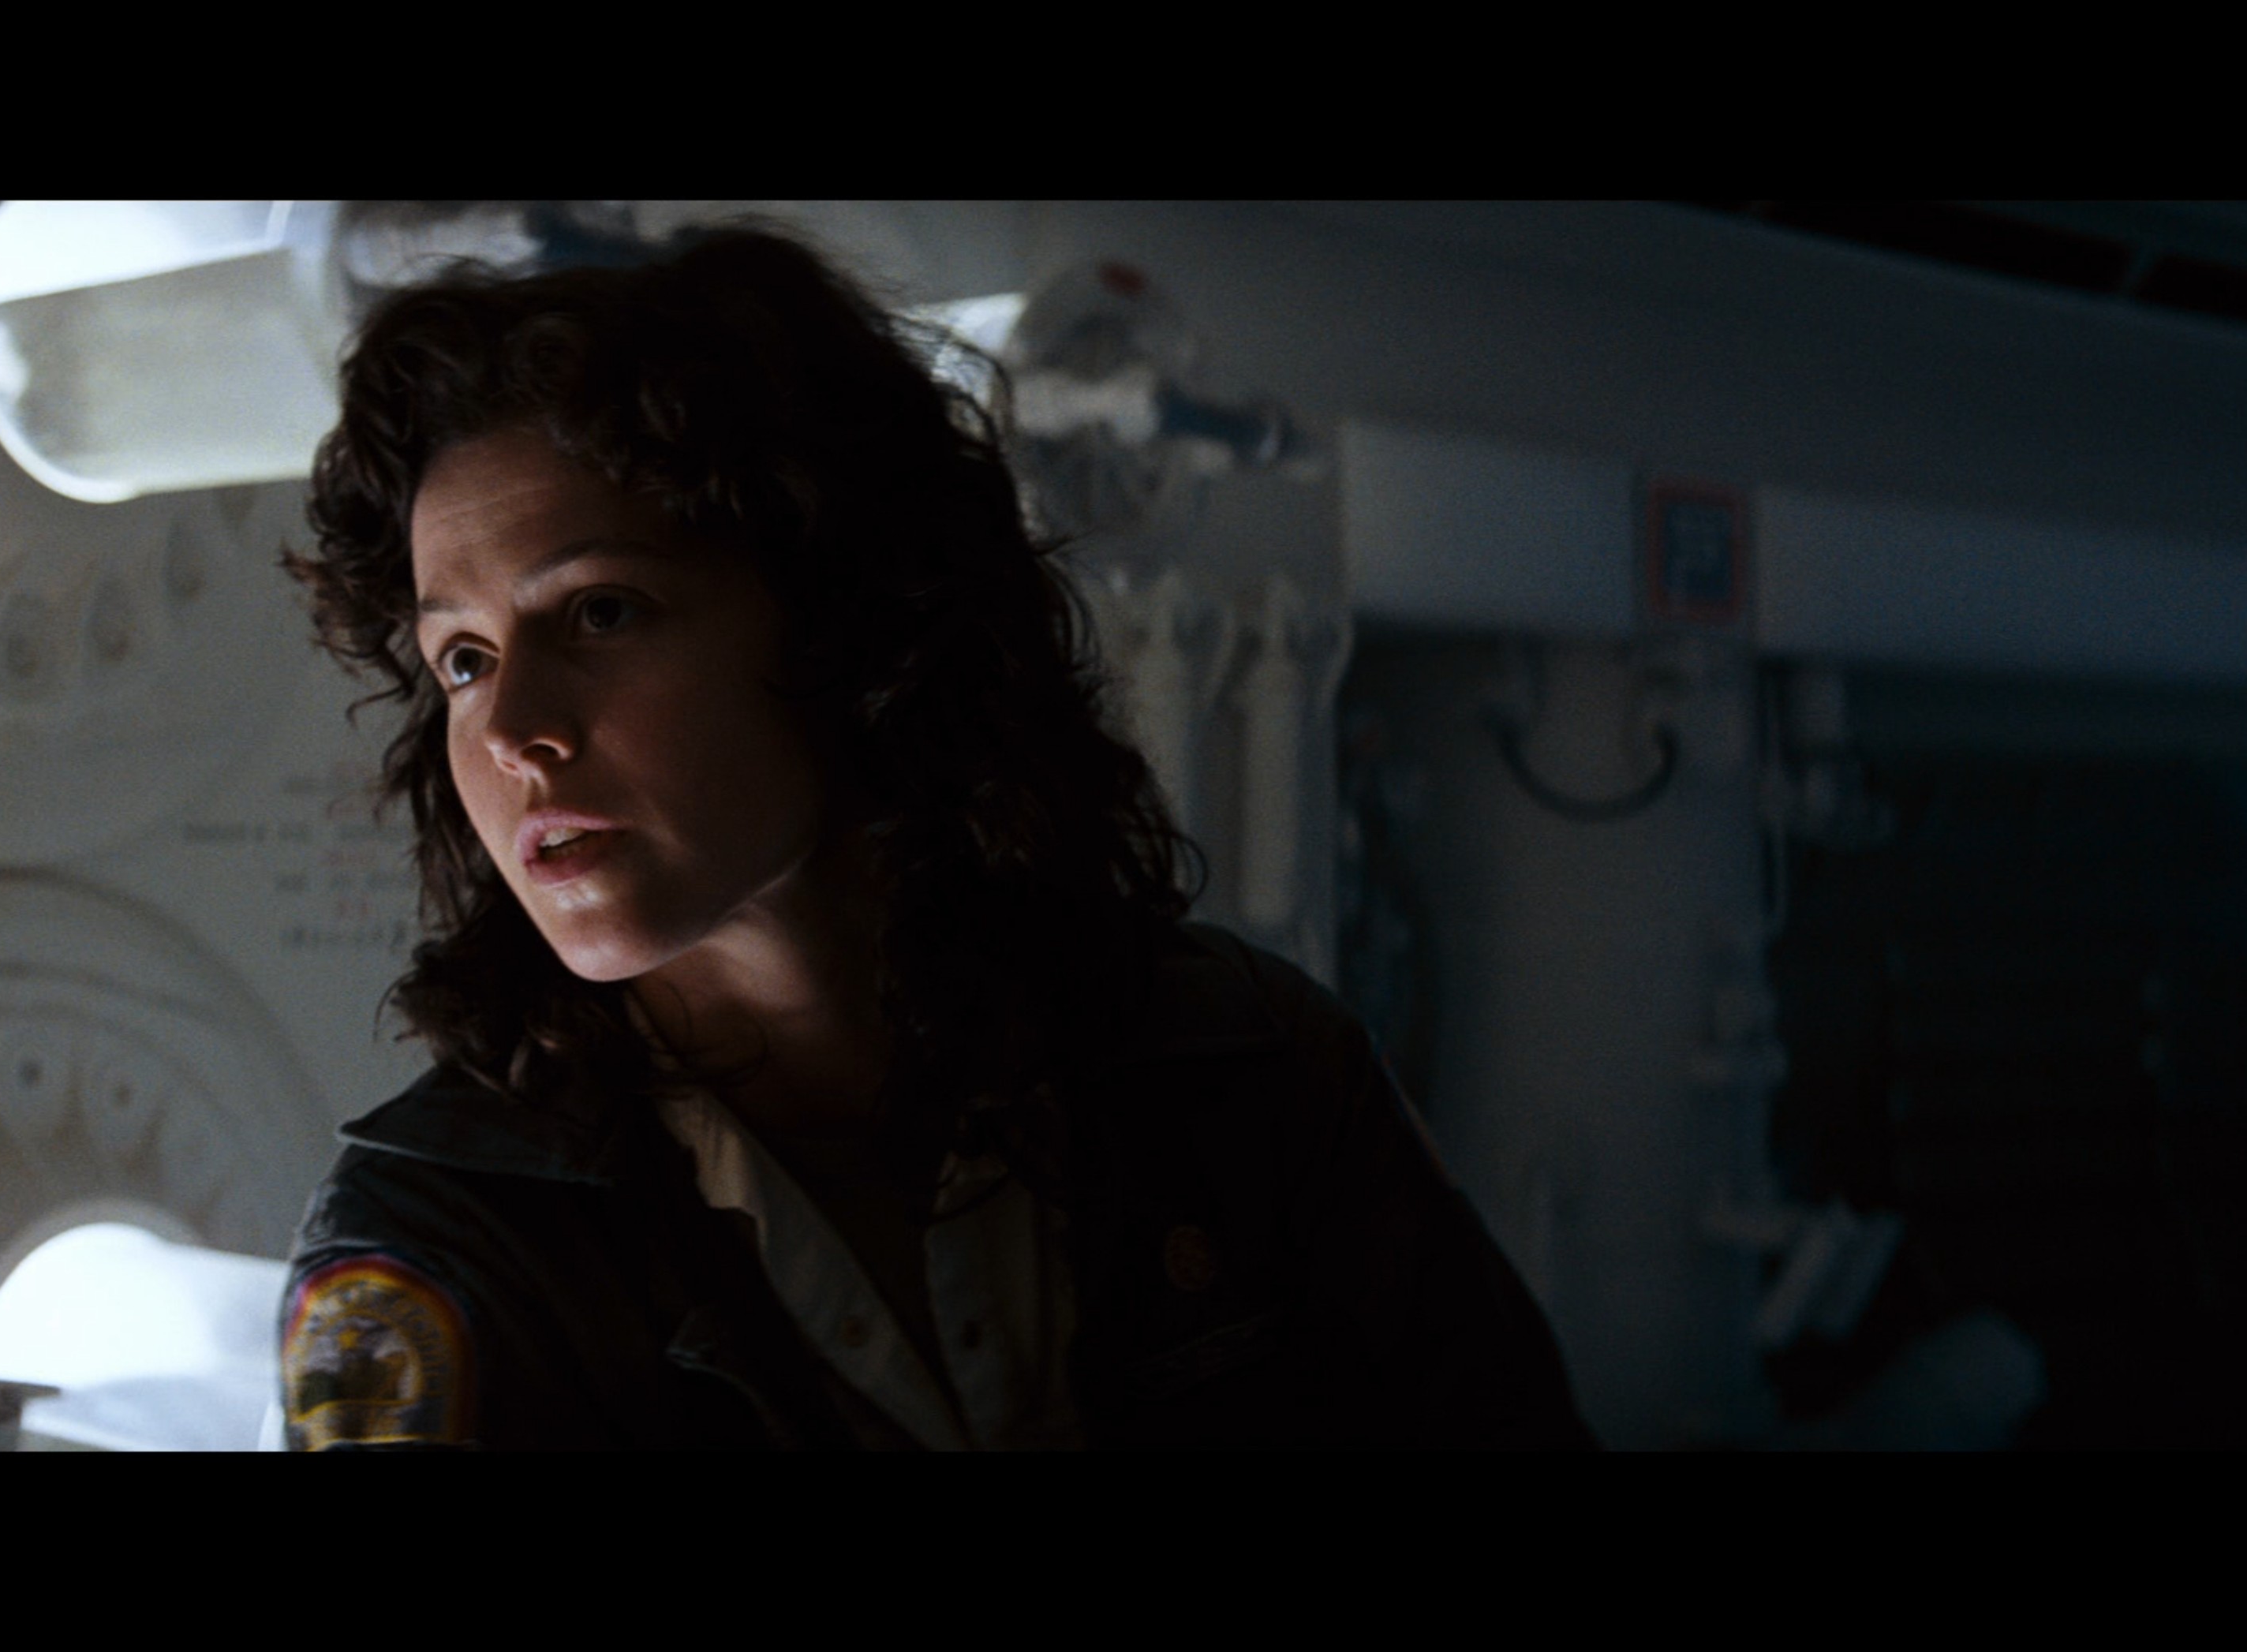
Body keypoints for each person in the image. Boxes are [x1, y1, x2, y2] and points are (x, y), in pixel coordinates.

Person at [275, 222, 1592, 1449]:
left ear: (845, 617)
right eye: (462, 659)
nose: (512, 730)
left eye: (599, 611)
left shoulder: (1245, 1068)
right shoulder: (443, 1242)